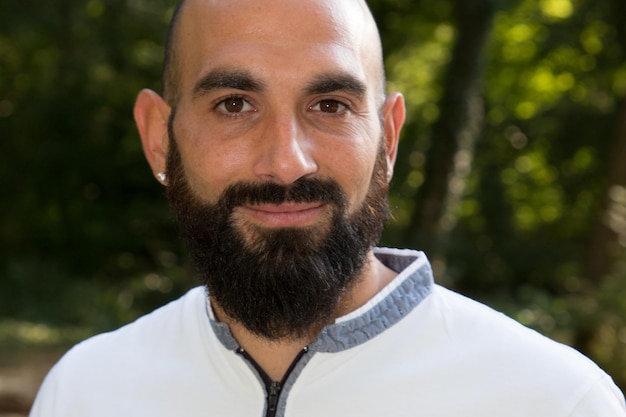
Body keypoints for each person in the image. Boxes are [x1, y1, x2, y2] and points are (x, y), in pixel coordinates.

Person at [30, 0, 626, 416]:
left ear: (388, 139)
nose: (287, 163)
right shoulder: (84, 392)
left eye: (331, 105)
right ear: (159, 136)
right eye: (235, 104)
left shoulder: (555, 402)